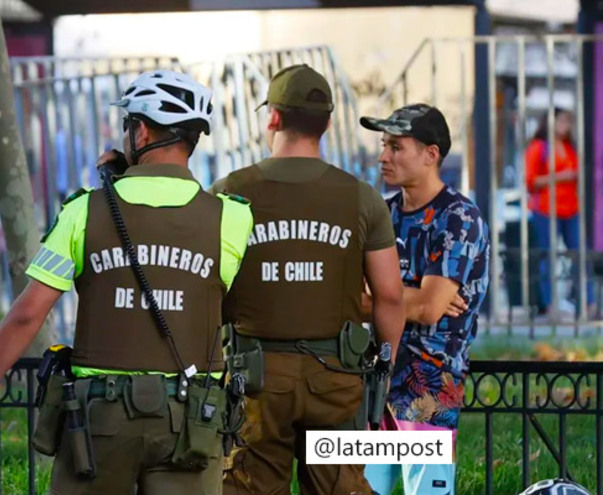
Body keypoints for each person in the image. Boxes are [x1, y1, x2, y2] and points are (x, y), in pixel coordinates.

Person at [0, 69, 255, 495]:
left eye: (129, 124)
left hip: (98, 422)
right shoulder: (232, 218)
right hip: (192, 420)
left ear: (143, 131)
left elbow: (26, 315)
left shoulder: (85, 211)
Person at [209, 64, 405, 494]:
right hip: (336, 378)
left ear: (273, 118)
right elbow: (390, 296)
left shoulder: (229, 191)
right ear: (329, 123)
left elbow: (205, 285)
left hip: (256, 379)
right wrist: (383, 367)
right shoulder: (361, 197)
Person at [359, 104, 488, 495]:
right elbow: (345, 297)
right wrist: (409, 300)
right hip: (374, 382)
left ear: (431, 154)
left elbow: (430, 308)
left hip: (429, 385)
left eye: (396, 147)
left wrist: (381, 297)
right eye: (384, 145)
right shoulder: (380, 214)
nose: (383, 156)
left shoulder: (459, 218)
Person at [524, 108, 593, 320]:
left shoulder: (570, 147)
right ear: (550, 122)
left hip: (571, 209)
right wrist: (561, 176)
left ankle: (588, 304)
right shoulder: (538, 147)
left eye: (568, 121)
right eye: (562, 120)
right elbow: (531, 182)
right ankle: (550, 305)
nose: (566, 125)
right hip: (546, 210)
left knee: (581, 255)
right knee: (548, 256)